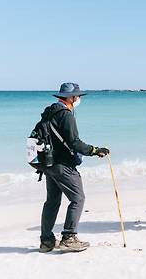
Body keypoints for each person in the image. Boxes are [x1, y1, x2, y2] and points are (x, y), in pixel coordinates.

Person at [39, 83, 110, 253]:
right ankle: (69, 237)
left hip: (48, 163)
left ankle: (46, 241)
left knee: (52, 202)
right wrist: (94, 150)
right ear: (72, 98)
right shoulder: (66, 115)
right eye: (77, 96)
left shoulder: (50, 112)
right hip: (63, 165)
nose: (78, 99)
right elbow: (74, 142)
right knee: (78, 198)